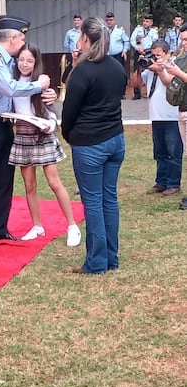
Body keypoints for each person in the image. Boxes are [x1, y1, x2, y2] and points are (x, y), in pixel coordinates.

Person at [0, 15, 53, 246]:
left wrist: (48, 93)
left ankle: (0, 229)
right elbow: (10, 87)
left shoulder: (8, 61)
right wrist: (39, 85)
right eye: (22, 39)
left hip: (4, 124)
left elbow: (25, 76)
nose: (23, 44)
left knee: (5, 180)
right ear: (13, 39)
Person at [62, 17, 127, 274]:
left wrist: (68, 134)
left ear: (86, 40)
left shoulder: (83, 70)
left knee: (94, 202)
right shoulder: (116, 67)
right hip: (115, 139)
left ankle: (97, 262)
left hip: (90, 142)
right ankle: (110, 257)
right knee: (109, 199)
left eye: (80, 36)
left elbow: (70, 110)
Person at [9, 44, 81, 246]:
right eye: (21, 60)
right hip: (22, 134)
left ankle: (72, 225)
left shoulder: (41, 83)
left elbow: (51, 113)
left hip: (42, 135)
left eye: (29, 61)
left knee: (54, 182)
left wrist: (49, 124)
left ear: (36, 62)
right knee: (29, 185)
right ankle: (37, 225)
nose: (24, 64)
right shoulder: (11, 82)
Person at [141, 40, 182, 196]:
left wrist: (159, 69)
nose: (156, 58)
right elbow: (137, 83)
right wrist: (141, 67)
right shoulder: (151, 69)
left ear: (168, 54)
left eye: (158, 55)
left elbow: (168, 82)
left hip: (171, 116)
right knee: (160, 152)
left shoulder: (173, 67)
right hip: (156, 116)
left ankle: (173, 183)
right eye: (154, 55)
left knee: (173, 151)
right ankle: (161, 182)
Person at [164, 24, 187, 210]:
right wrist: (164, 68)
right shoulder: (182, 57)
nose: (184, 43)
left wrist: (179, 73)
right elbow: (171, 83)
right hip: (183, 109)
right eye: (183, 39)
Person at [131, 13, 157, 100]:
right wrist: (138, 48)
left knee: (150, 71)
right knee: (137, 72)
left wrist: (148, 51)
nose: (145, 23)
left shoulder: (154, 31)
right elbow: (132, 40)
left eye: (147, 21)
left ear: (151, 23)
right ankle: (137, 93)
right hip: (139, 52)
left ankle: (149, 90)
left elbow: (155, 42)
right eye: (144, 21)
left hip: (149, 53)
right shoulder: (138, 29)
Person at [62, 13, 82, 83]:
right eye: (75, 20)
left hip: (82, 55)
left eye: (78, 20)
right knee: (70, 72)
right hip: (72, 56)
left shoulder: (84, 32)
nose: (76, 22)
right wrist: (71, 53)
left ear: (81, 21)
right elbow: (66, 44)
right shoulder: (69, 33)